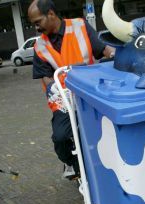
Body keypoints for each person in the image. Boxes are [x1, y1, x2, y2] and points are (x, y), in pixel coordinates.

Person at [28, 0, 115, 179]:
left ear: (51, 14)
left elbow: (104, 50)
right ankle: (70, 163)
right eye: (34, 24)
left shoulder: (80, 26)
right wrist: (56, 91)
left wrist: (118, 55)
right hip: (63, 99)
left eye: (38, 22)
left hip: (90, 94)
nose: (36, 28)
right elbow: (45, 77)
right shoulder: (39, 47)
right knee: (60, 138)